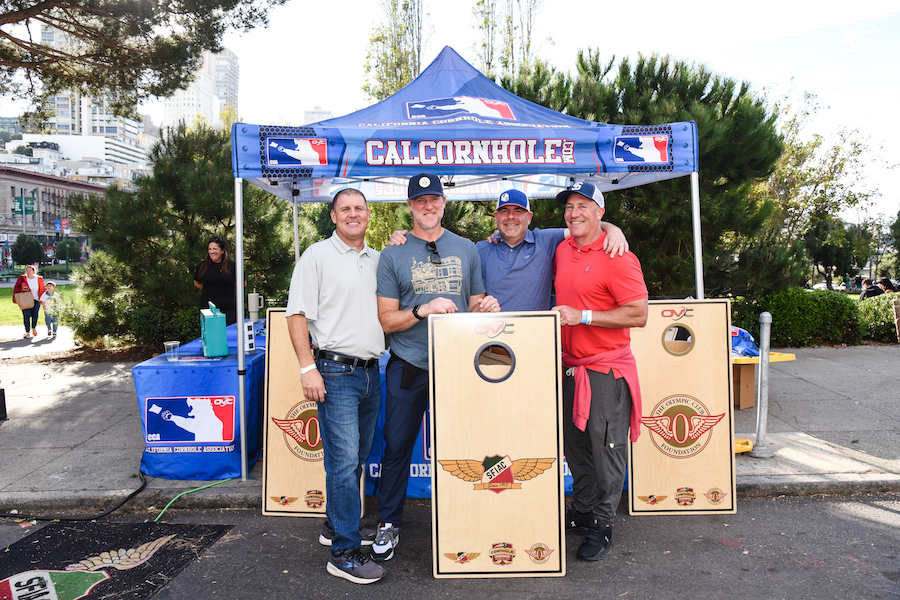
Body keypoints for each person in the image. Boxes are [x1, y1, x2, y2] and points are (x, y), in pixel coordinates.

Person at [373, 172, 500, 562]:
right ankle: (389, 523)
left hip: (459, 366)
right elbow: (386, 321)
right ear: (410, 207)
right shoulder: (392, 254)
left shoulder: (465, 248)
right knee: (396, 447)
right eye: (420, 201)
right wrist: (423, 309)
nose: (428, 206)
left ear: (444, 203)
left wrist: (487, 305)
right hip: (408, 364)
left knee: (466, 446)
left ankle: (470, 516)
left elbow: (475, 302)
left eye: (434, 199)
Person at [285, 188, 386, 585]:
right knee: (344, 463)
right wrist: (307, 368)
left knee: (355, 459)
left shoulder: (379, 259)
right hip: (334, 372)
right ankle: (344, 552)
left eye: (359, 208)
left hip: (370, 373)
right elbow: (297, 315)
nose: (353, 214)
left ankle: (334, 523)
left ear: (368, 215)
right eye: (345, 209)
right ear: (333, 216)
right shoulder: (316, 256)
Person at [551, 180, 648, 562]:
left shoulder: (619, 256)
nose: (574, 213)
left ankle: (603, 524)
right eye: (569, 206)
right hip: (570, 369)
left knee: (606, 449)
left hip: (606, 371)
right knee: (575, 446)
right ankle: (585, 509)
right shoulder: (562, 249)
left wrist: (584, 316)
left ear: (600, 212)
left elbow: (639, 314)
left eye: (583, 206)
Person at [389, 188, 630, 312]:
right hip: (491, 343)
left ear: (529, 217)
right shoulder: (480, 249)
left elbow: (583, 226)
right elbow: (467, 295)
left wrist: (613, 229)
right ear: (495, 217)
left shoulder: (546, 240)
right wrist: (404, 238)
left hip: (537, 341)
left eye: (518, 211)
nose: (511, 217)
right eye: (504, 211)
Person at [193, 236, 238, 325]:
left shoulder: (232, 266)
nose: (212, 251)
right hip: (208, 310)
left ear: (222, 250)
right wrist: (209, 289)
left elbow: (242, 284)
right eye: (209, 249)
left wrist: (226, 290)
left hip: (228, 309)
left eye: (215, 249)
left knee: (229, 335)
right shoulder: (202, 266)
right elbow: (196, 282)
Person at [12, 265, 44, 338]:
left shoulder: (39, 278)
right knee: (26, 315)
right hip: (25, 300)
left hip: (36, 299)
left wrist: (42, 298)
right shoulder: (22, 278)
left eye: (30, 270)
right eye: (27, 270)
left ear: (33, 271)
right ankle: (27, 331)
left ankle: (34, 327)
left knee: (35, 315)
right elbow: (16, 288)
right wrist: (22, 289)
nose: (28, 272)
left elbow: (42, 289)